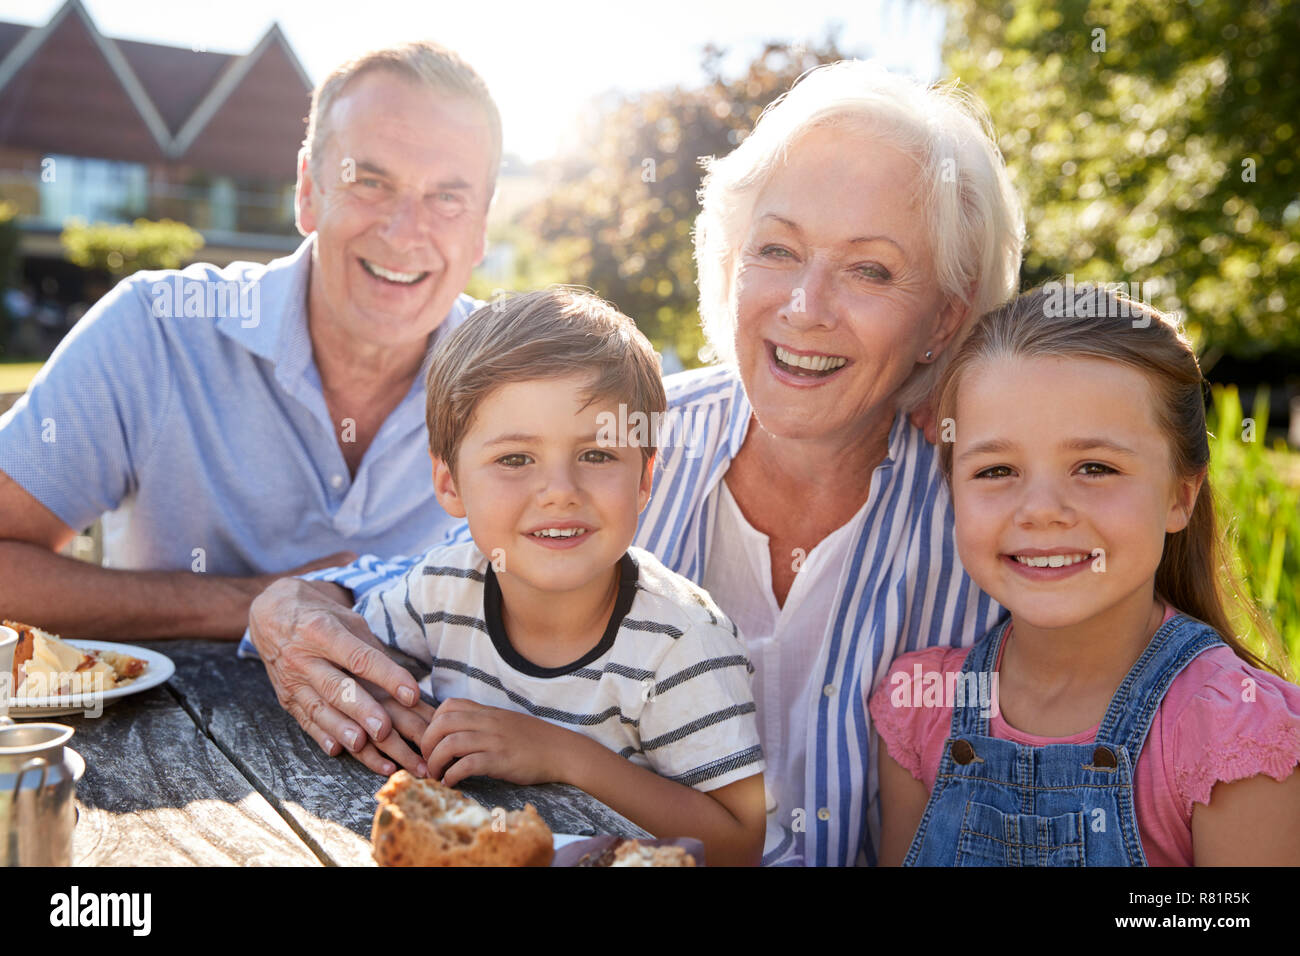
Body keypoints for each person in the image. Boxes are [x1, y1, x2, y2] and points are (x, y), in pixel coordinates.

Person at [249, 59, 1026, 866]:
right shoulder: (621, 435)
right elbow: (430, 579)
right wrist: (291, 605)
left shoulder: (991, 509)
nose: (805, 308)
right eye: (777, 250)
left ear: (945, 316)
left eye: (870, 269)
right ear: (729, 265)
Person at [0, 42, 497, 656]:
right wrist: (257, 601)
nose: (403, 231)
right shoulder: (155, 330)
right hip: (168, 741)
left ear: (481, 228)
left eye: (447, 198)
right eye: (370, 182)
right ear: (308, 193)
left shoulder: (518, 385)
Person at [870, 285, 1300, 866]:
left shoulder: (1231, 732)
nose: (1041, 508)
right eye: (997, 469)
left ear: (1180, 496)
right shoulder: (923, 707)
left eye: (1095, 467)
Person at [355, 287, 766, 866]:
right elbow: (354, 661)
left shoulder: (682, 643)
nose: (559, 493)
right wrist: (390, 711)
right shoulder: (443, 587)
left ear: (645, 477)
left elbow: (740, 842)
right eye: (515, 459)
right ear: (449, 484)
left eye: (597, 455)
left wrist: (561, 754)